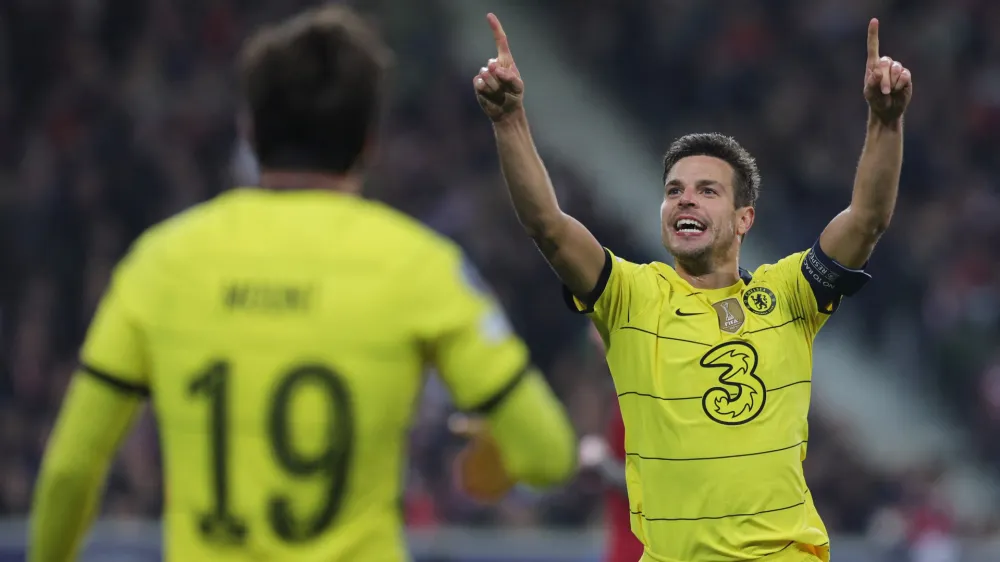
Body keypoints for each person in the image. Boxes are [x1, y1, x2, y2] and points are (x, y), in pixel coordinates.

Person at [29, 6, 576, 562]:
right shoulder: (422, 267)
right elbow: (548, 454)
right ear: (369, 143)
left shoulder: (161, 262)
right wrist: (492, 453)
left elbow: (71, 470)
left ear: (250, 132)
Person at [473, 12, 911, 562]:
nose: (685, 199)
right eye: (674, 189)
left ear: (744, 218)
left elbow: (867, 219)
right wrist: (510, 120)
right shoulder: (631, 296)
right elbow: (549, 227)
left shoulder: (790, 294)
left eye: (707, 190)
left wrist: (885, 122)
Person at [578, 328, 645, 562]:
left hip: (645, 547)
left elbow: (654, 482)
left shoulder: (644, 400)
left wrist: (604, 465)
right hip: (621, 542)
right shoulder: (616, 396)